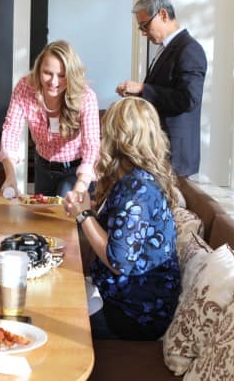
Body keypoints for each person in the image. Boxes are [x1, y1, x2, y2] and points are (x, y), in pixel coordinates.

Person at [64, 97, 180, 340]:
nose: (101, 140)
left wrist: (84, 215)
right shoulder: (137, 180)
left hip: (132, 314)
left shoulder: (137, 189)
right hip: (126, 298)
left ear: (119, 139)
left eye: (106, 133)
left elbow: (120, 263)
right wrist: (89, 211)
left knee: (47, 309)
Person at [116, 0, 207, 177]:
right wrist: (137, 94)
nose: (143, 32)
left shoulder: (189, 49)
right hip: (158, 150)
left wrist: (143, 89)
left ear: (163, 15)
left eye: (145, 25)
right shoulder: (164, 49)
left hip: (174, 154)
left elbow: (188, 100)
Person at [0, 40, 100, 198]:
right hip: (43, 167)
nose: (53, 82)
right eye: (47, 73)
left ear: (71, 74)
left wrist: (80, 186)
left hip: (76, 170)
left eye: (61, 75)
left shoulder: (86, 97)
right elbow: (11, 131)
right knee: (41, 216)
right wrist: (10, 176)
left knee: (64, 217)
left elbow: (92, 145)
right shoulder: (25, 88)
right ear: (38, 70)